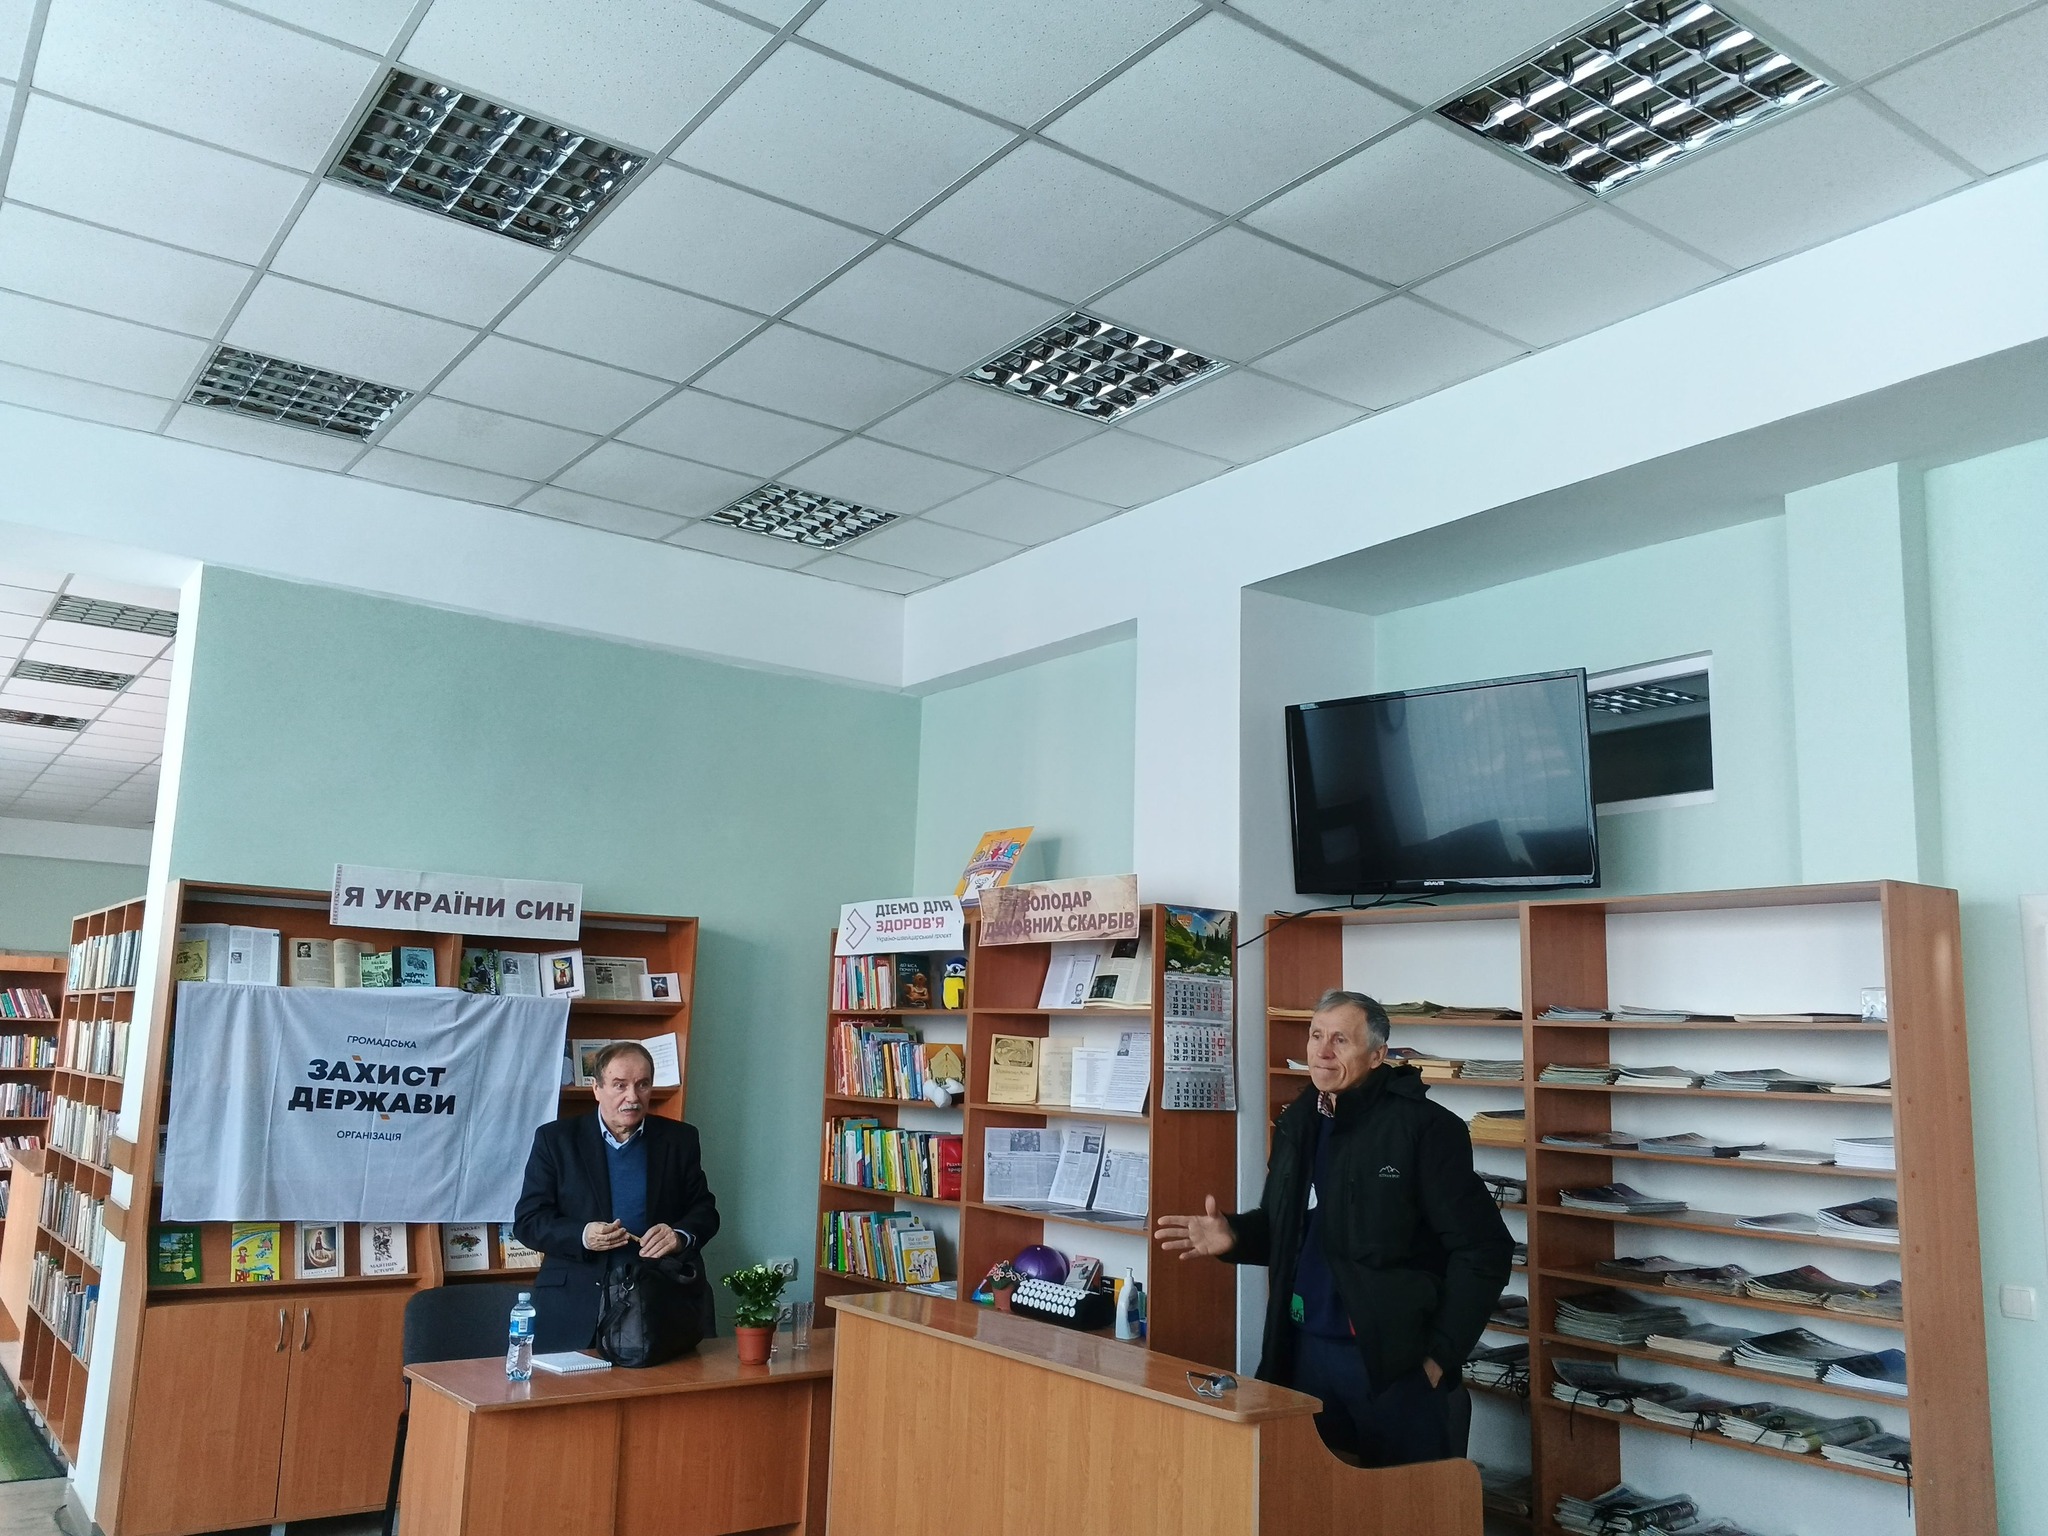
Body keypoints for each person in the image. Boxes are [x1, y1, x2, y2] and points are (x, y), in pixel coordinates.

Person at [1155, 989, 1512, 1466]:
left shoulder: (1425, 1128)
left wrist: (1440, 1356)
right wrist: (1234, 1236)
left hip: (1389, 1364)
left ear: (1378, 1055)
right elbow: (1290, 1228)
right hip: (1305, 1352)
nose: (1322, 1052)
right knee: (1310, 1494)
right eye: (1316, 1036)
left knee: (1402, 1503)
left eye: (1340, 1040)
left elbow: (1484, 1249)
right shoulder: (1299, 1121)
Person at [513, 1039, 720, 1349]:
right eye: (619, 1085)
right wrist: (582, 1235)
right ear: (596, 1088)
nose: (632, 1097)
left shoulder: (679, 1139)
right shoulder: (556, 1140)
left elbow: (704, 1211)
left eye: (642, 1085)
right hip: (574, 1302)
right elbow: (528, 1221)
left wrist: (679, 1236)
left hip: (658, 1304)